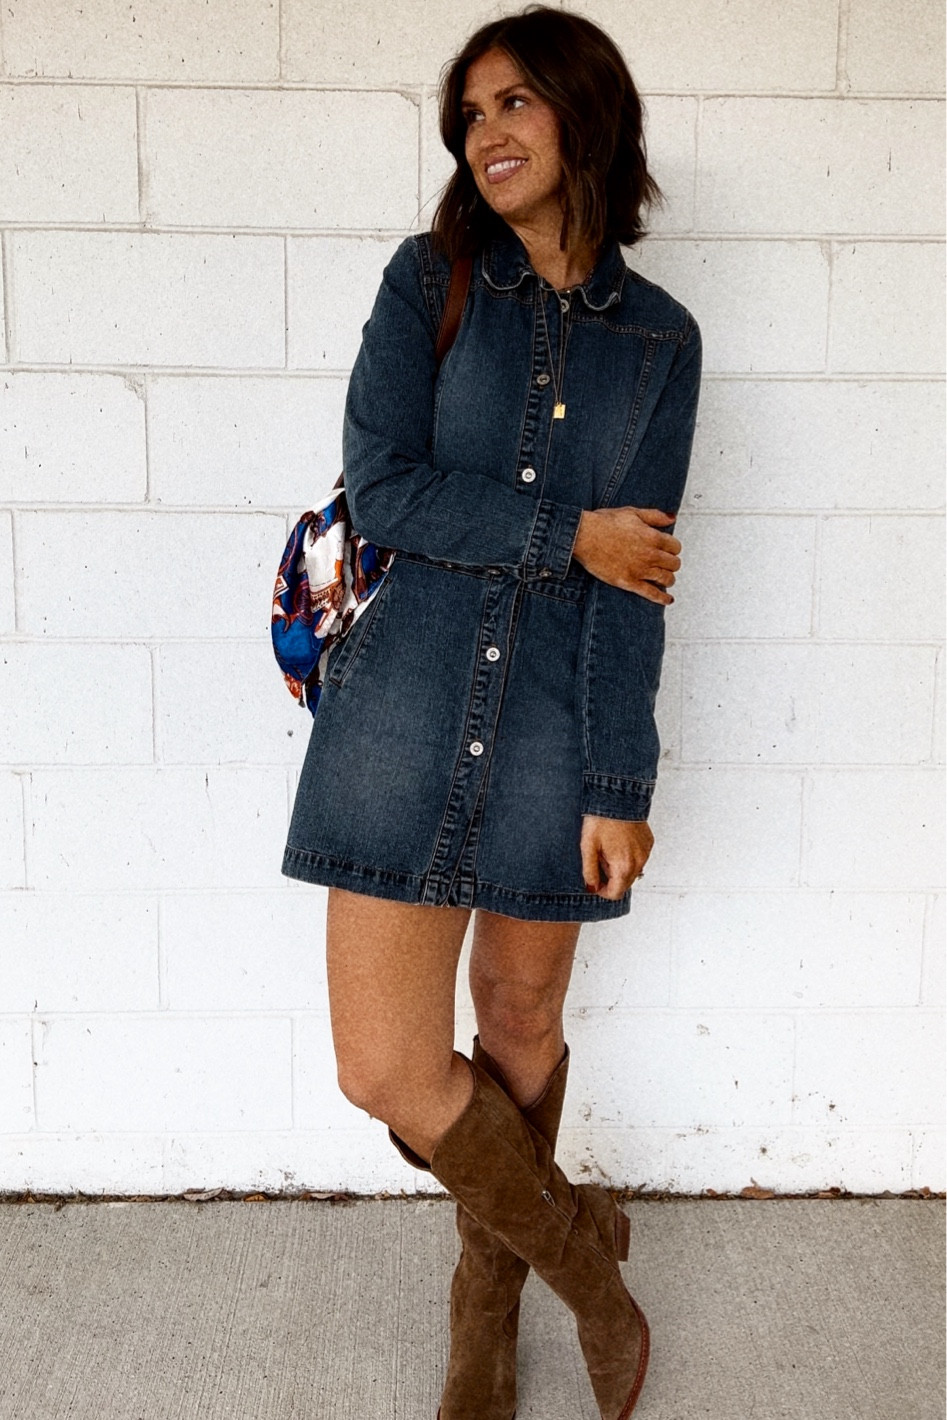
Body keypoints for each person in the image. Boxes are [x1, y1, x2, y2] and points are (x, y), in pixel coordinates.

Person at [282, 6, 702, 1416]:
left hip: (553, 732)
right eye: (471, 114)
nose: (490, 133)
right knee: (386, 1067)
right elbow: (384, 485)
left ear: (589, 114)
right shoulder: (432, 279)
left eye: (518, 102)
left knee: (519, 1019)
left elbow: (634, 579)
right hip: (398, 713)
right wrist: (566, 534)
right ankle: (589, 1266)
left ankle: (484, 1317)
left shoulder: (660, 342)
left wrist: (619, 780)